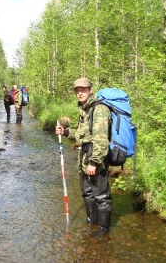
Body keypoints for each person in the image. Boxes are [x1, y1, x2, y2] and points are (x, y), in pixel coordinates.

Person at [55, 77, 112, 236]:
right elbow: (81, 135)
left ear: (90, 90)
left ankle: (103, 232)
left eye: (83, 89)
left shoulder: (99, 109)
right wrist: (66, 132)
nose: (79, 93)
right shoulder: (84, 109)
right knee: (87, 192)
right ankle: (92, 223)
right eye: (77, 90)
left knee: (101, 195)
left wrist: (94, 162)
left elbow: (101, 139)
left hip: (95, 157)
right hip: (83, 156)